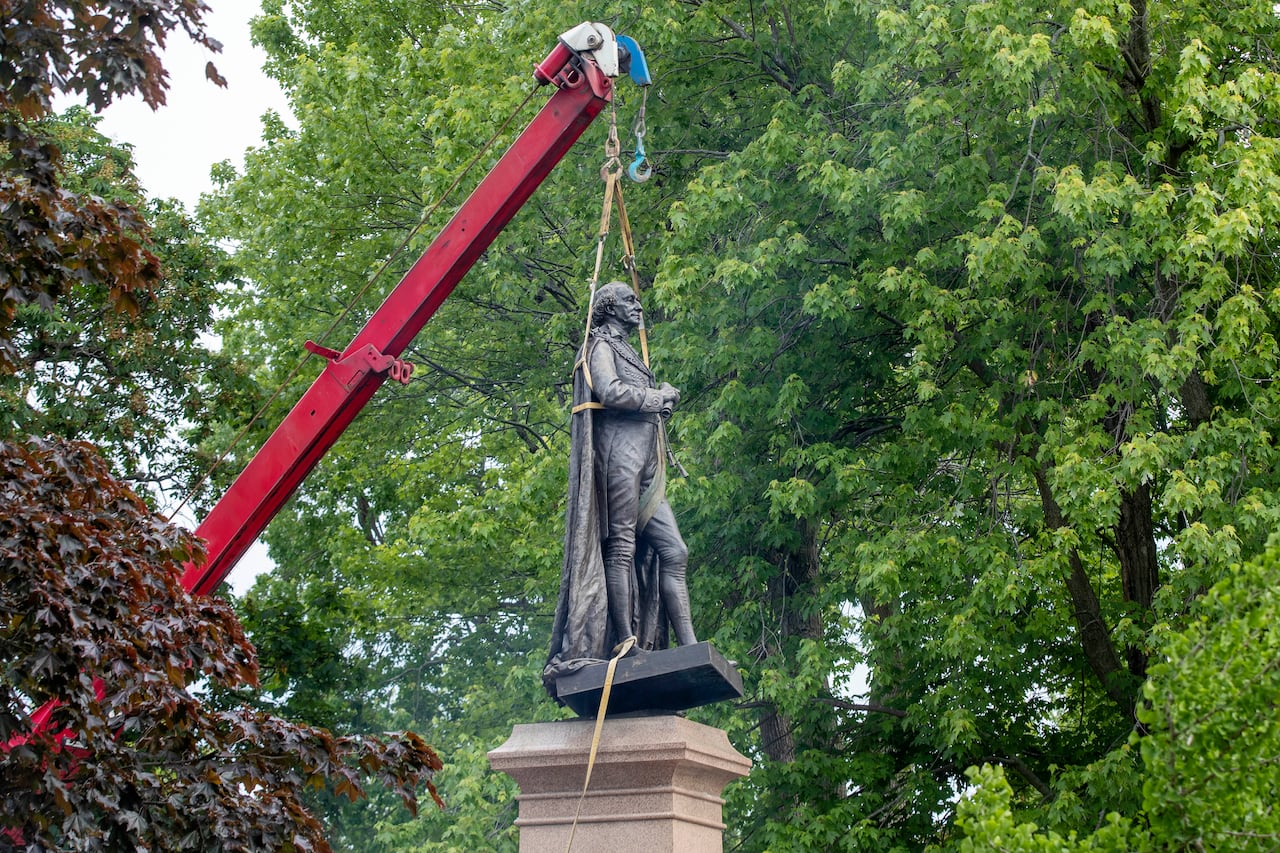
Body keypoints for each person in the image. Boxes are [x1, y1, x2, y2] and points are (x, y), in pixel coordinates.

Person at [544, 282, 697, 693]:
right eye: (630, 300)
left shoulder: (628, 349)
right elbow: (608, 391)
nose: (638, 305)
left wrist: (660, 395)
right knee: (622, 547)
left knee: (674, 551)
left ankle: (690, 647)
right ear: (609, 308)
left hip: (646, 459)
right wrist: (655, 396)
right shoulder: (599, 346)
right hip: (619, 456)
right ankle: (625, 642)